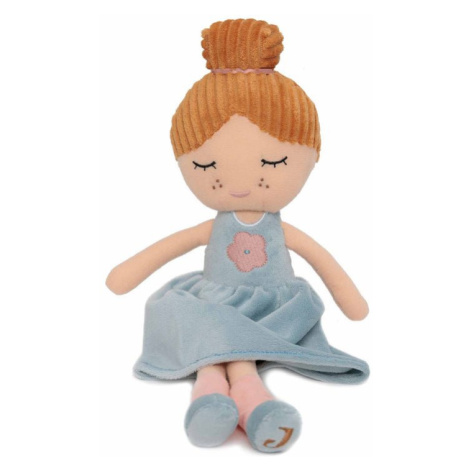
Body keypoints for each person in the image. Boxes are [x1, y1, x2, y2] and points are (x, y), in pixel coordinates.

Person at [106, 18, 369, 453]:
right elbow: (168, 248)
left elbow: (319, 257)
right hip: (216, 298)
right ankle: (225, 396)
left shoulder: (280, 230)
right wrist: (126, 274)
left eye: (274, 164)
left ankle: (238, 397)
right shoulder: (211, 228)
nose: (243, 184)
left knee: (229, 348)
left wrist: (351, 301)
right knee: (212, 330)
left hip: (272, 307)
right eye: (205, 166)